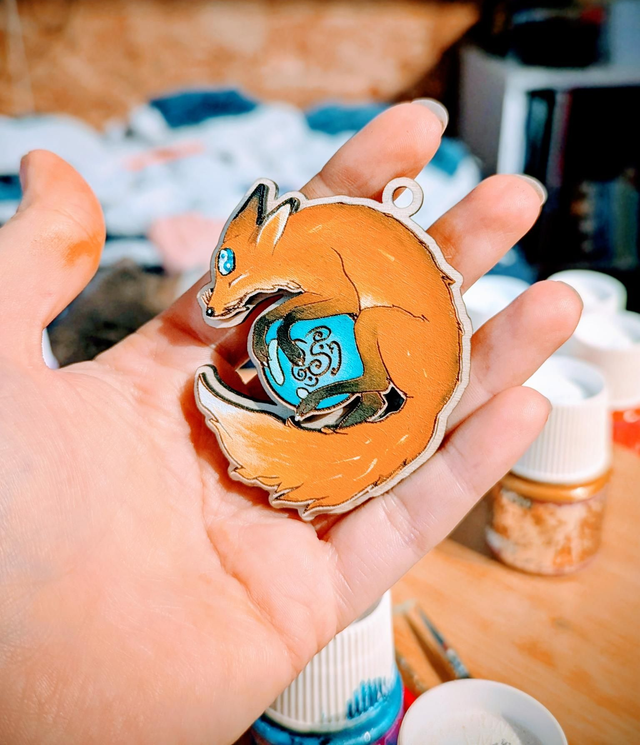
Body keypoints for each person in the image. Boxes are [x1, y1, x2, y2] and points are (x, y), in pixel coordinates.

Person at [0, 102, 581, 744]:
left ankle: (338, 419)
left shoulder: (317, 251)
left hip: (402, 358)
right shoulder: (302, 253)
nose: (218, 297)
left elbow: (339, 302)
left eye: (229, 274)